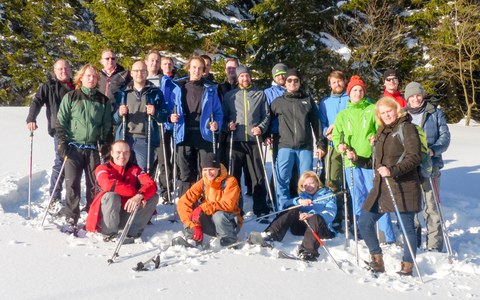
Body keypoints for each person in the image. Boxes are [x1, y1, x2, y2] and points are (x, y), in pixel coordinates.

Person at [359, 96, 422, 276]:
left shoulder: (407, 128)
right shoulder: (381, 131)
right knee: (365, 221)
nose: (386, 115)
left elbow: (414, 157)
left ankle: (408, 265)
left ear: (396, 110)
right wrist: (356, 158)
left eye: (389, 111)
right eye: (383, 113)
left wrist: (392, 170)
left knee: (406, 227)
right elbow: (377, 162)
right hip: (382, 187)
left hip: (404, 185)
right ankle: (377, 260)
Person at [332, 75, 395, 243]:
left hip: (370, 161)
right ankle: (363, 231)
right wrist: (340, 146)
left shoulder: (372, 109)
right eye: (354, 90)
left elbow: (382, 129)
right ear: (349, 93)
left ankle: (387, 235)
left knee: (377, 197)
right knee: (358, 198)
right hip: (350, 162)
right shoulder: (343, 115)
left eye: (360, 90)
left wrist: (376, 136)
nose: (357, 93)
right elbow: (336, 135)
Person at [56, 64, 113, 224]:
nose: (91, 79)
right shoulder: (72, 96)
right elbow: (61, 121)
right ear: (81, 77)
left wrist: (106, 145)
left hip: (93, 148)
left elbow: (107, 125)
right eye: (88, 76)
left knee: (94, 184)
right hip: (74, 147)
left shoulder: (103, 100)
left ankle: (92, 212)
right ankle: (71, 215)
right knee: (72, 183)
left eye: (94, 76)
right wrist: (62, 142)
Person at [270, 68, 327, 210]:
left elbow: (316, 123)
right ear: (286, 83)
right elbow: (268, 120)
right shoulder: (278, 102)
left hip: (305, 147)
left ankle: (305, 209)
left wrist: (320, 144)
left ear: (300, 82)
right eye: (290, 80)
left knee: (307, 181)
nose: (292, 83)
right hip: (285, 146)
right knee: (282, 179)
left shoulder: (307, 100)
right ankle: (283, 209)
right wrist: (265, 135)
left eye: (296, 80)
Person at [248, 171, 336, 261]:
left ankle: (308, 252)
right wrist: (299, 202)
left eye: (311, 183)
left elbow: (330, 214)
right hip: (304, 227)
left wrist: (311, 215)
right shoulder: (303, 196)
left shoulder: (328, 196)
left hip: (321, 229)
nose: (309, 187)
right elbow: (285, 206)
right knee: (293, 208)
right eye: (305, 185)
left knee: (316, 218)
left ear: (317, 183)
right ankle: (270, 235)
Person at [404, 82, 450, 252]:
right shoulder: (403, 115)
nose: (416, 99)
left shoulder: (435, 113)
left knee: (432, 207)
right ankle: (413, 241)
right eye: (412, 96)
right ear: (407, 98)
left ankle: (434, 245)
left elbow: (445, 137)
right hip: (410, 168)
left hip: (431, 166)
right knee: (412, 207)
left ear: (422, 95)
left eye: (418, 95)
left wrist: (433, 150)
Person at [170, 56, 223, 197]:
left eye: (200, 68)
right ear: (188, 68)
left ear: (204, 71)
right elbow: (170, 110)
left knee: (205, 171)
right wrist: (171, 118)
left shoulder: (210, 89)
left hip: (204, 135)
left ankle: (203, 204)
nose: (196, 70)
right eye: (194, 67)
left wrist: (216, 124)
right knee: (186, 173)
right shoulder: (178, 88)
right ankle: (185, 205)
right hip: (184, 134)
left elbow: (218, 112)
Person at [222, 65, 271, 218]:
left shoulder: (259, 94)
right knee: (234, 176)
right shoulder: (230, 96)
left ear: (250, 77)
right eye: (241, 76)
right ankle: (235, 206)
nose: (245, 78)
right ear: (237, 78)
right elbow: (223, 116)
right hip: (235, 141)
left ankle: (260, 207)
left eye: (247, 75)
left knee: (257, 175)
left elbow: (266, 115)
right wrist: (227, 126)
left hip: (253, 140)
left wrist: (261, 129)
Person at [85, 140, 158, 242]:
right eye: (118, 152)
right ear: (112, 153)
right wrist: (135, 194)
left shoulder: (135, 170)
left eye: (126, 152)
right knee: (111, 195)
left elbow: (151, 184)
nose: (122, 156)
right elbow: (107, 184)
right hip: (104, 217)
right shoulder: (103, 168)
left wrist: (140, 196)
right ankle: (109, 234)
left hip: (125, 213)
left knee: (153, 196)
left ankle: (132, 233)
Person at [26, 59, 74, 203]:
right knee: (60, 161)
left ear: (70, 69)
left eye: (66, 68)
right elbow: (37, 101)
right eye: (60, 69)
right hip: (59, 130)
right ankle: (54, 196)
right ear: (54, 71)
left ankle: (73, 196)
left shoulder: (77, 85)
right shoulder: (49, 86)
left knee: (76, 164)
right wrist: (31, 118)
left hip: (79, 130)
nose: (63, 71)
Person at [114, 61, 169, 174]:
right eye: (136, 71)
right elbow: (113, 119)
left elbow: (164, 117)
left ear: (147, 73)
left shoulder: (155, 93)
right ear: (131, 73)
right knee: (122, 172)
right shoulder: (123, 93)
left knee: (143, 172)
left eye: (143, 71)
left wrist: (155, 113)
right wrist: (119, 113)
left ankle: (141, 192)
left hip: (145, 139)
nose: (139, 73)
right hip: (125, 137)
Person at [176, 152, 242, 247]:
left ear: (218, 168)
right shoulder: (203, 182)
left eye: (211, 169)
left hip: (229, 222)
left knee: (219, 215)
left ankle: (229, 240)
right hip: (211, 222)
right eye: (205, 170)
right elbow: (183, 202)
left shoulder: (230, 181)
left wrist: (202, 207)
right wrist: (194, 225)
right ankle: (193, 239)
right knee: (191, 212)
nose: (208, 173)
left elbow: (228, 205)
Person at [318, 70, 349, 228]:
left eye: (340, 81)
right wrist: (326, 132)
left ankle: (350, 215)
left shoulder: (351, 98)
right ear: (329, 84)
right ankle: (335, 216)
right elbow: (322, 122)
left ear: (344, 81)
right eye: (334, 82)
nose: (337, 84)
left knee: (350, 180)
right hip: (333, 145)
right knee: (333, 180)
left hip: (350, 144)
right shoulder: (325, 102)